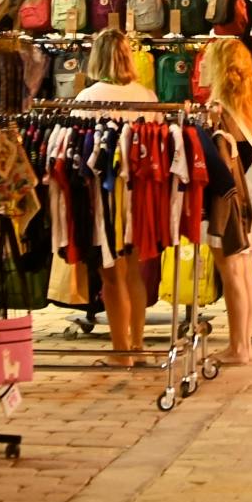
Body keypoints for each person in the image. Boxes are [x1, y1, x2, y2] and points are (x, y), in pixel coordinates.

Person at [74, 29, 160, 363]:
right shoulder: (147, 96)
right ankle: (136, 343)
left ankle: (120, 349)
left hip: (105, 195)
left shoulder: (88, 98)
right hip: (140, 193)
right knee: (136, 270)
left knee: (111, 274)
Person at [200, 37, 252, 365]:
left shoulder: (219, 108)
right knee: (245, 269)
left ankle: (238, 347)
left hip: (230, 199)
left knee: (231, 269)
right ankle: (244, 342)